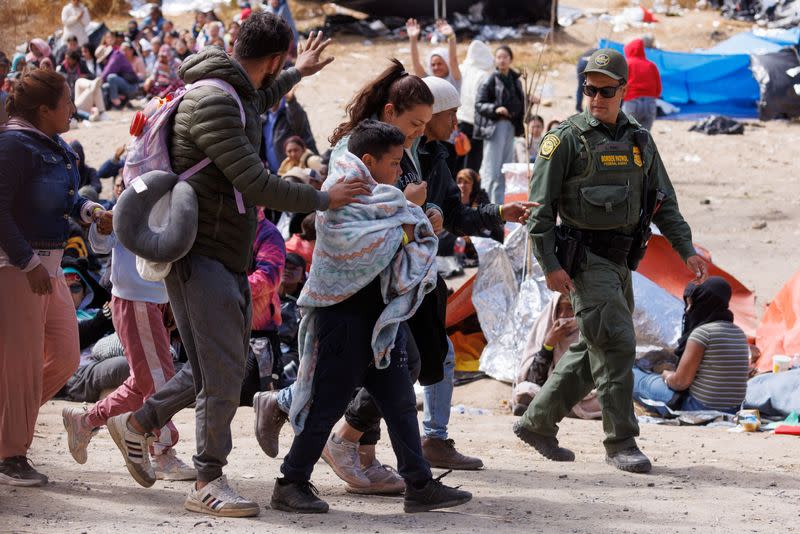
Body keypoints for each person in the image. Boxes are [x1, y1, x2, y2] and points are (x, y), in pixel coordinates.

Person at [103, 13, 366, 518]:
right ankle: (207, 479)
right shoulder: (214, 101)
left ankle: (139, 423)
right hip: (202, 252)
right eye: (281, 66)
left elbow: (259, 99)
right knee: (224, 373)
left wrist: (297, 74)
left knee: (210, 367)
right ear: (270, 59)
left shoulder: (229, 90)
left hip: (219, 251)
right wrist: (323, 197)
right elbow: (255, 181)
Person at [515, 48, 709, 474]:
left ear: (624, 90)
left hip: (622, 261)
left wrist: (686, 249)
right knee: (618, 342)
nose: (596, 97)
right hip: (584, 260)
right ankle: (621, 441)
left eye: (605, 90)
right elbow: (538, 210)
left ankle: (538, 422)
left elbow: (663, 202)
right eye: (589, 89)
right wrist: (549, 264)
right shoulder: (563, 139)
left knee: (594, 347)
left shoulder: (639, 139)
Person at [270, 119, 471, 514]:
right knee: (327, 403)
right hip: (343, 316)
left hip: (377, 317)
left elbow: (396, 232)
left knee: (398, 400)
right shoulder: (341, 194)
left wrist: (409, 218)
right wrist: (408, 220)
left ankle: (419, 484)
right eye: (394, 163)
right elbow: (357, 247)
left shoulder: (380, 194)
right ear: (368, 160)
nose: (400, 171)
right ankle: (290, 482)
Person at [0, 69, 111, 486]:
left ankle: (7, 428)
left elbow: (65, 199)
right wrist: (27, 264)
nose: (73, 108)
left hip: (48, 265)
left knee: (64, 357)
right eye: (66, 101)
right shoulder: (12, 144)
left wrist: (91, 213)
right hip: (16, 267)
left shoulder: (55, 146)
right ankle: (11, 456)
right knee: (21, 367)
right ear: (44, 109)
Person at [61, 204, 196, 483]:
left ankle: (84, 421)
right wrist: (102, 224)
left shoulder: (171, 201)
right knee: (160, 379)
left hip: (156, 300)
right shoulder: (128, 206)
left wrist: (172, 298)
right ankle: (163, 452)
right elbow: (100, 244)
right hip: (136, 300)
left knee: (142, 382)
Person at [633, 277, 749, 414]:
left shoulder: (703, 333)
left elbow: (680, 383)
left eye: (691, 305)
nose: (688, 310)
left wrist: (666, 375)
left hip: (697, 407)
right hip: (732, 409)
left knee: (634, 375)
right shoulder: (739, 333)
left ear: (703, 301)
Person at [513, 294, 601, 419]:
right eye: (559, 309)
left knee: (607, 398)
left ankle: (542, 409)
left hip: (582, 398)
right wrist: (549, 344)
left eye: (570, 308)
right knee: (524, 389)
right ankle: (548, 408)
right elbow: (533, 380)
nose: (562, 315)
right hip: (549, 393)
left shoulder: (593, 329)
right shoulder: (546, 328)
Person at [475, 45, 525, 205]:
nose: (502, 60)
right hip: (495, 127)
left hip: (510, 127)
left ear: (510, 59)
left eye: (505, 57)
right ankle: (486, 205)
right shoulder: (490, 79)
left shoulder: (515, 80)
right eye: (499, 57)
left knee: (504, 169)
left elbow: (520, 103)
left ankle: (500, 207)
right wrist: (496, 108)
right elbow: (480, 104)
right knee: (492, 169)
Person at [456, 40, 494, 171]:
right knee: (472, 164)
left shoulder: (460, 69)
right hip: (476, 124)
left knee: (457, 161)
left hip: (458, 121)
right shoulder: (484, 75)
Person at [261, 86, 318, 173]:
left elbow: (299, 122)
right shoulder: (264, 117)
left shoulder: (289, 113)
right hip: (275, 174)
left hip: (296, 173)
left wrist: (291, 100)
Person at [406, 18, 461, 92]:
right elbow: (416, 64)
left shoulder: (454, 78)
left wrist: (451, 37)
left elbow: (453, 61)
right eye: (433, 65)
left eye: (439, 64)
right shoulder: (429, 80)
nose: (436, 67)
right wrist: (413, 39)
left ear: (447, 63)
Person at [622, 38, 661, 131]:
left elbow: (621, 84)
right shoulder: (651, 65)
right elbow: (658, 88)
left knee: (628, 135)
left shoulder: (627, 64)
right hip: (650, 103)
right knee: (644, 137)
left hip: (632, 102)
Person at [575, 48, 597, 113]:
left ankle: (578, 109)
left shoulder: (593, 50)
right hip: (588, 63)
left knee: (580, 87)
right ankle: (591, 110)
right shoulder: (602, 56)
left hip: (581, 63)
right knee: (592, 88)